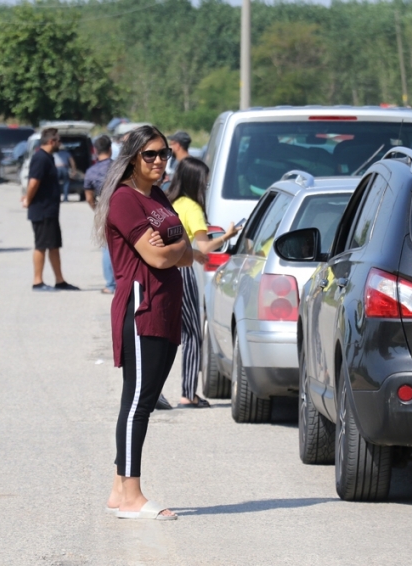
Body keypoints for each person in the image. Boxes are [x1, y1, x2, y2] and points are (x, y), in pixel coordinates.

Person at [94, 125, 195, 520]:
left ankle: (119, 489)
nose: (158, 161)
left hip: (165, 308)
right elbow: (155, 259)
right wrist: (175, 250)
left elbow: (185, 251)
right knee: (139, 403)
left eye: (164, 154)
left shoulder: (156, 197)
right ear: (133, 157)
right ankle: (133, 495)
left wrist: (174, 247)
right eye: (150, 154)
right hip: (142, 308)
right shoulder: (124, 200)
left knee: (141, 399)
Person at [166, 157, 240, 407]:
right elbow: (206, 245)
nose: (206, 186)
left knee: (168, 331)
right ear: (196, 181)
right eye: (205, 182)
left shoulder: (170, 201)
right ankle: (188, 393)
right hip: (182, 271)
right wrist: (227, 236)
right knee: (191, 333)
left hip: (165, 268)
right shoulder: (193, 208)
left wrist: (193, 251)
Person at [22, 128, 79, 292]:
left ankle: (60, 280)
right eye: (58, 140)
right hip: (42, 210)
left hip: (50, 210)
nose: (60, 143)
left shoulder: (48, 158)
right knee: (41, 245)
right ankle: (37, 281)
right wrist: (28, 199)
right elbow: (33, 183)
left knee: (54, 245)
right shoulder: (40, 158)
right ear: (51, 141)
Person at [84, 135, 117, 295]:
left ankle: (110, 285)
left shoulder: (91, 171)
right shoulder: (119, 167)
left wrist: (97, 209)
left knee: (106, 248)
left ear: (96, 151)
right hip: (122, 206)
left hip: (104, 208)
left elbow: (89, 197)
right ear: (110, 149)